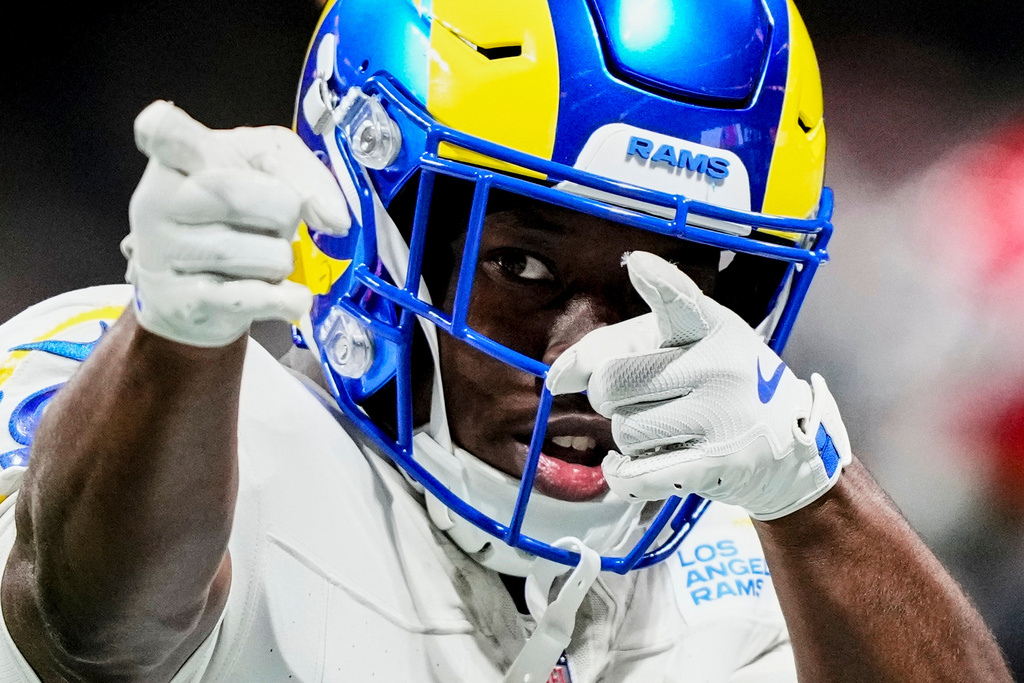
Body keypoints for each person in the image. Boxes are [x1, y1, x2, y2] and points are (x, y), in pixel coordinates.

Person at [0, 0, 1011, 680]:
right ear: (377, 228)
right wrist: (173, 347)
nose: (591, 358)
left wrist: (816, 492)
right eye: (522, 268)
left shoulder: (749, 554)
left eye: (664, 287)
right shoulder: (168, 410)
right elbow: (95, 631)